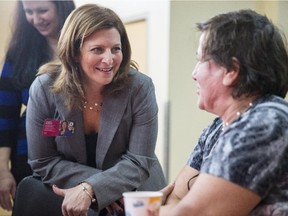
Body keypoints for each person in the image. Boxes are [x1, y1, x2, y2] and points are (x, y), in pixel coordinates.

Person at [26, 3, 166, 216]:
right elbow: (43, 160)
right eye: (97, 49)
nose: (109, 59)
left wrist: (95, 188)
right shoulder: (45, 90)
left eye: (115, 49)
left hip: (133, 189)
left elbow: (140, 160)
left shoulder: (139, 88)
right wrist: (96, 187)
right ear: (74, 53)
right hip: (70, 188)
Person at [160, 9, 288, 216]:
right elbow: (176, 198)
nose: (194, 74)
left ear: (231, 71)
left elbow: (193, 212)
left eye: (201, 60)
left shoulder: (266, 122)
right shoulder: (218, 127)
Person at [0, 0, 75, 212]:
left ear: (61, 7)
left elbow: (84, 120)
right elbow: (5, 115)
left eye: (42, 11)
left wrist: (64, 128)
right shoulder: (19, 52)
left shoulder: (84, 45)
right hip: (28, 159)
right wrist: (2, 171)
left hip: (78, 160)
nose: (35, 19)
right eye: (28, 12)